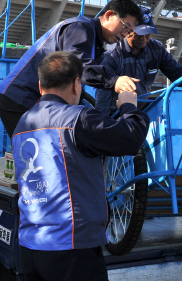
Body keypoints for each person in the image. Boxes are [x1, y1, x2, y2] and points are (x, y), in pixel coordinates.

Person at [12, 52, 150, 281]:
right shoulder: (79, 118)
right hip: (72, 246)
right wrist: (128, 107)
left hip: (30, 245)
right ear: (77, 84)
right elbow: (130, 138)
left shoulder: (23, 123)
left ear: (40, 84)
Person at [0, 0, 143, 137]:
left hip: (35, 101)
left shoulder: (94, 41)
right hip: (20, 98)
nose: (125, 34)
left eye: (129, 32)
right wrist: (114, 80)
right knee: (35, 152)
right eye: (125, 26)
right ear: (109, 15)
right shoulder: (80, 28)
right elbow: (78, 64)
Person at [95, 6, 182, 115]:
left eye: (148, 33)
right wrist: (102, 122)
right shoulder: (112, 53)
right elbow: (103, 91)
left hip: (142, 110)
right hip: (116, 112)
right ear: (128, 30)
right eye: (139, 34)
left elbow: (177, 73)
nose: (144, 38)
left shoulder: (156, 49)